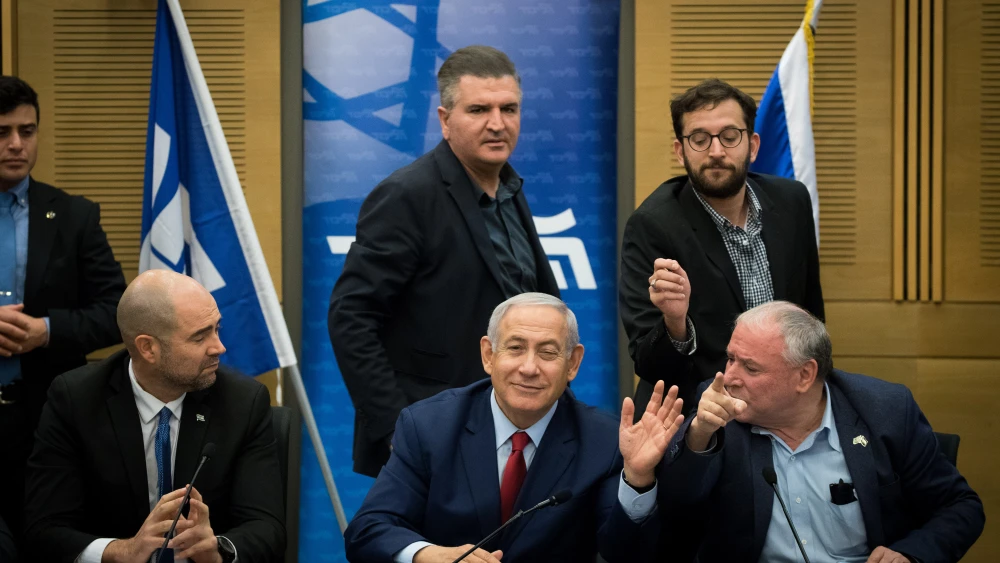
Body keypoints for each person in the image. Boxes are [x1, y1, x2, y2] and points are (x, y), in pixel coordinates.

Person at [328, 45, 559, 477]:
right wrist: (400, 431)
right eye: (478, 109)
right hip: (433, 441)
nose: (497, 123)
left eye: (509, 109)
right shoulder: (406, 196)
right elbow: (351, 317)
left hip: (516, 433)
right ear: (444, 119)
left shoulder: (510, 190)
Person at [344, 293, 684, 562]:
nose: (529, 368)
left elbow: (626, 553)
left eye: (548, 353)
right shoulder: (428, 426)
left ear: (573, 363)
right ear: (489, 355)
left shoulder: (604, 441)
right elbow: (367, 531)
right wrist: (426, 554)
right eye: (516, 348)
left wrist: (638, 479)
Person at [660, 301, 984, 563]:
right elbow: (676, 507)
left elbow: (960, 507)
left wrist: (910, 555)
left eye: (751, 367)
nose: (729, 377)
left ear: (805, 376)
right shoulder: (719, 409)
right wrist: (700, 434)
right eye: (730, 358)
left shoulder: (886, 411)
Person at [23, 270, 285, 563]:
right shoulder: (76, 400)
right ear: (148, 348)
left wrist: (217, 550)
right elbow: (44, 529)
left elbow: (267, 527)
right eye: (200, 337)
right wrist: (123, 551)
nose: (219, 347)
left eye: (217, 328)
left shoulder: (243, 401)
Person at [619, 78, 824, 412]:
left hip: (784, 406)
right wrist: (675, 323)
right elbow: (650, 366)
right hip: (700, 412)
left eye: (730, 137)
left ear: (753, 145)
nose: (716, 151)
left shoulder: (792, 202)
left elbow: (811, 314)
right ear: (680, 150)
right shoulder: (652, 226)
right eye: (699, 139)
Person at [0, 75, 127, 543]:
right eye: (2, 132)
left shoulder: (74, 215)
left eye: (27, 131)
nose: (17, 144)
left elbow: (117, 309)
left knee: (46, 541)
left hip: (47, 418)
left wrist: (46, 331)